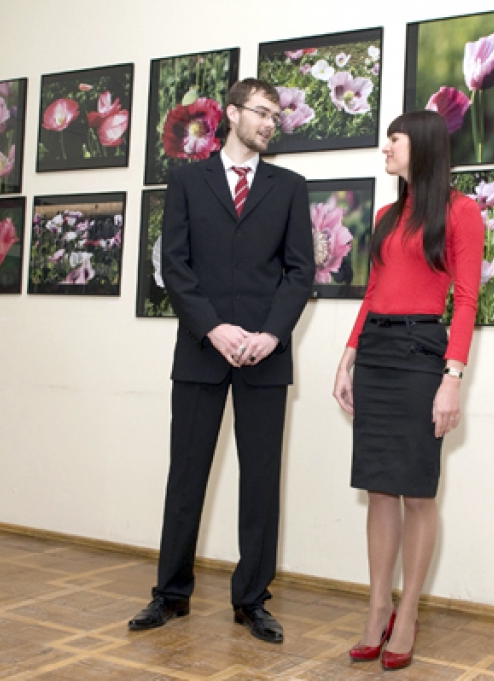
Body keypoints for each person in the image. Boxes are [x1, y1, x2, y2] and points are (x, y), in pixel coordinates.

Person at [128, 78, 315, 644]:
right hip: (200, 351)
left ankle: (252, 600)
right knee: (186, 477)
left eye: (275, 116)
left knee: (261, 483)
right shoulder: (187, 180)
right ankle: (170, 594)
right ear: (231, 114)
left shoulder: (289, 187)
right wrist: (212, 327)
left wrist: (270, 335)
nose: (270, 123)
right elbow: (175, 267)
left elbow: (300, 272)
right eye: (260, 112)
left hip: (265, 355)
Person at [332, 110, 485, 670]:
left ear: (418, 146)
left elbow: (465, 300)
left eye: (392, 141)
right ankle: (377, 609)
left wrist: (453, 378)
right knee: (378, 489)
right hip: (375, 354)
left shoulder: (462, 212)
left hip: (424, 356)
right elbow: (372, 293)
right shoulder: (386, 215)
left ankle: (409, 613)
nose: (385, 150)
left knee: (418, 493)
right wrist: (347, 358)